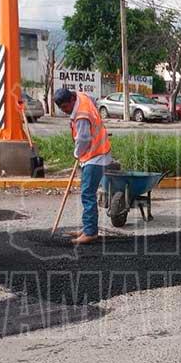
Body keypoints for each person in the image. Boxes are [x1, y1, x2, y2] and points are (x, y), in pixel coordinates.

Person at [54, 88, 112, 245]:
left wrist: (76, 154)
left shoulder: (81, 116)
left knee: (87, 194)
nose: (64, 110)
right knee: (87, 193)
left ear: (72, 99)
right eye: (61, 108)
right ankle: (87, 227)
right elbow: (93, 101)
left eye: (65, 107)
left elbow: (83, 140)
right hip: (99, 152)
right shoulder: (82, 97)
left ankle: (90, 232)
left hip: (95, 156)